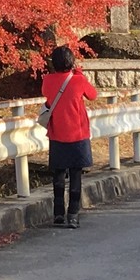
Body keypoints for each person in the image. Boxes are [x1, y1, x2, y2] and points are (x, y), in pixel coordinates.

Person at [41, 45, 98, 228]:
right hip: (78, 135)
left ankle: (58, 213)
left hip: (57, 133)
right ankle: (73, 214)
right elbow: (93, 95)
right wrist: (79, 74)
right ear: (71, 61)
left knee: (58, 176)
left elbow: (47, 95)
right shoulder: (78, 80)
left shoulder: (47, 81)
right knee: (75, 176)